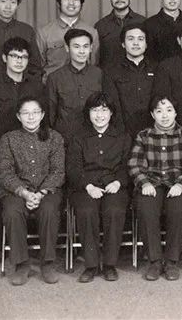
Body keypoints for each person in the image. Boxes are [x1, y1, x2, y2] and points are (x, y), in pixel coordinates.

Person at [0, 37, 45, 265]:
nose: (19, 61)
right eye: (14, 56)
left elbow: (45, 119)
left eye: (23, 57)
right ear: (5, 58)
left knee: (31, 199)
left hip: (31, 155)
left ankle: (30, 247)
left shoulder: (36, 86)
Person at [128, 95, 182, 281]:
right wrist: (144, 183)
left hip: (178, 183)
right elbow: (135, 165)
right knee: (146, 207)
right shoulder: (143, 136)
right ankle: (155, 261)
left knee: (179, 209)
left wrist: (181, 184)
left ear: (175, 113)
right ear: (153, 114)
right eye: (159, 111)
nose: (165, 115)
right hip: (151, 183)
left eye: (169, 110)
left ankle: (171, 262)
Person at [0, 96, 65, 286]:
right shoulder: (8, 139)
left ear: (42, 115)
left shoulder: (55, 138)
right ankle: (21, 264)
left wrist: (41, 193)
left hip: (47, 190)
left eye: (35, 112)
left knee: (49, 209)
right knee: (12, 212)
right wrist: (25, 193)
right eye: (26, 113)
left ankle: (47, 263)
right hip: (16, 191)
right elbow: (4, 172)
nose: (31, 117)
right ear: (18, 116)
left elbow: (58, 172)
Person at [67, 92, 132, 283]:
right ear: (88, 113)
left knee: (114, 210)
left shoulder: (123, 137)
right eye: (95, 110)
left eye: (104, 110)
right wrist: (87, 186)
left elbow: (128, 165)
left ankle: (110, 264)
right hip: (85, 186)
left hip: (114, 185)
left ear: (111, 113)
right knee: (87, 211)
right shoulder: (78, 137)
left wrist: (118, 182)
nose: (99, 115)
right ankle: (91, 265)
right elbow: (73, 168)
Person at [46, 28, 120, 139]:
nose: (82, 51)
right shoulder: (54, 77)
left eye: (85, 46)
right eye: (76, 47)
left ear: (91, 48)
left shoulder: (100, 74)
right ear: (67, 48)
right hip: (65, 137)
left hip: (94, 137)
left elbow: (110, 107)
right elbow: (50, 114)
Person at [104, 23, 158, 138]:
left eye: (140, 39)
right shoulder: (111, 71)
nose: (136, 43)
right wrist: (122, 135)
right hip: (124, 134)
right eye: (130, 39)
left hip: (154, 132)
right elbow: (113, 105)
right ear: (123, 44)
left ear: (146, 44)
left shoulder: (157, 68)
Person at [37, 0, 99, 78]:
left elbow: (94, 64)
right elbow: (38, 66)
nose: (71, 3)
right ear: (59, 3)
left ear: (81, 4)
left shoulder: (92, 32)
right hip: (52, 84)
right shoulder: (44, 33)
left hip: (83, 84)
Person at [95, 0, 146, 68]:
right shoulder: (100, 26)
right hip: (108, 75)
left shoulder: (143, 22)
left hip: (137, 73)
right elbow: (96, 58)